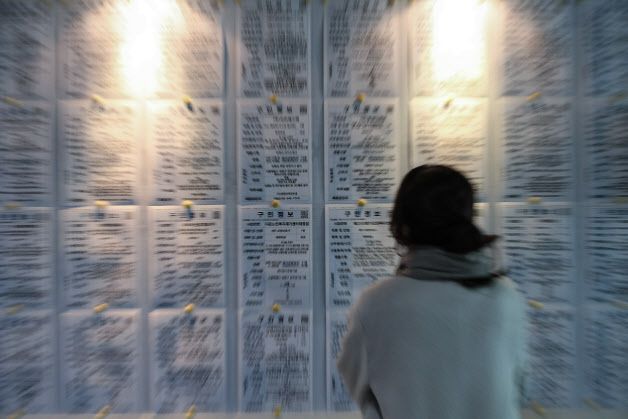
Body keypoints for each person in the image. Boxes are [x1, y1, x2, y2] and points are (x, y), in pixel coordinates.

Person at [337, 165, 526, 419]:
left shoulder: (376, 303)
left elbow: (359, 386)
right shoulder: (506, 298)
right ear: (468, 218)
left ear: (403, 225)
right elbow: (519, 388)